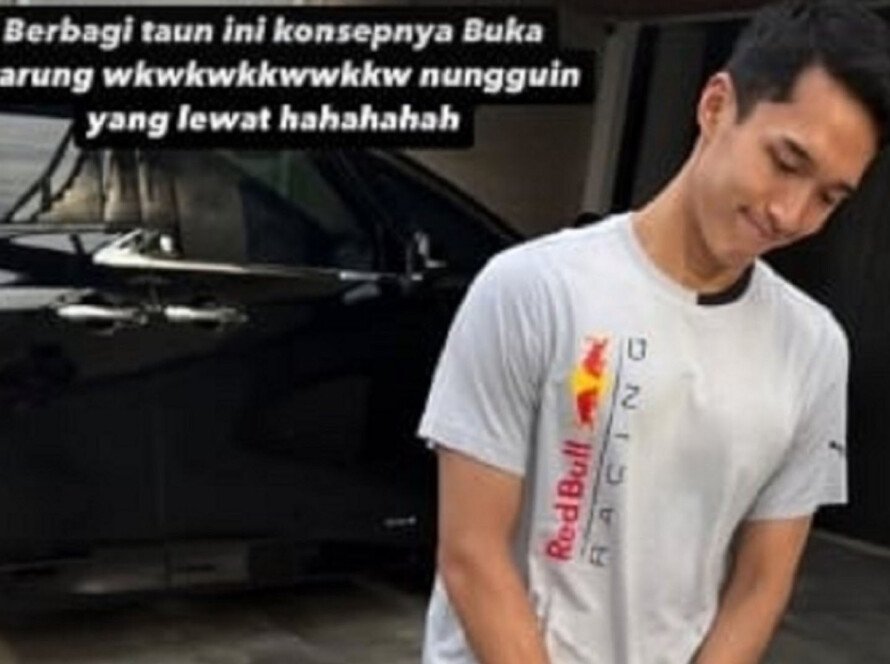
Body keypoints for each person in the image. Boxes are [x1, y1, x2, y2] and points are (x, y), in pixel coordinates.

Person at [416, 1, 890, 663]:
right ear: (716, 106)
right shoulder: (533, 288)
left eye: (829, 197)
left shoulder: (813, 349)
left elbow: (761, 582)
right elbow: (472, 553)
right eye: (785, 161)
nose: (791, 213)